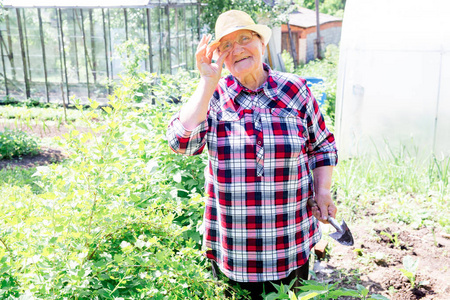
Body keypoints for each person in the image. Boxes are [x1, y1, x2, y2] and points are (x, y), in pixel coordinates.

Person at [166, 10, 338, 299]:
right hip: (235, 248)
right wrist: (207, 82)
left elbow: (322, 145)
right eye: (226, 46)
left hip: (289, 241)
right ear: (218, 55)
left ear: (261, 43)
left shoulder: (294, 90)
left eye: (245, 39)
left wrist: (323, 192)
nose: (237, 50)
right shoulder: (215, 96)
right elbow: (181, 142)